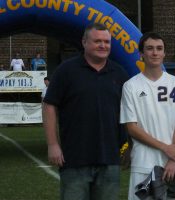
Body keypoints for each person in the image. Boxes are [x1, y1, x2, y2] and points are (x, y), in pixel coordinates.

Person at [42, 23, 128, 200]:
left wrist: (129, 146)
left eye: (106, 41)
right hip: (74, 158)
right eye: (97, 41)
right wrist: (52, 144)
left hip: (110, 159)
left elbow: (130, 113)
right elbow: (49, 105)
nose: (103, 46)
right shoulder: (66, 70)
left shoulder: (119, 73)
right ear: (84, 42)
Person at [120, 32, 175, 200]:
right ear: (141, 54)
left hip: (171, 165)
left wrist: (173, 159)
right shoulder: (130, 86)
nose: (155, 53)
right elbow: (131, 127)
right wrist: (164, 147)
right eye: (150, 48)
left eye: (159, 49)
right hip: (143, 163)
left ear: (164, 53)